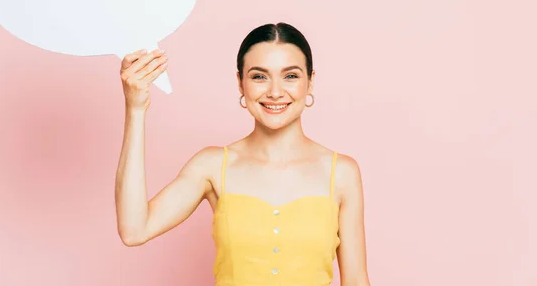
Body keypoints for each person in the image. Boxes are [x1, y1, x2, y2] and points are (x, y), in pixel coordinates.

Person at [115, 22, 371, 286]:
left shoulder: (341, 172)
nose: (274, 91)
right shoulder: (212, 166)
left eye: (290, 76)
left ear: (310, 82)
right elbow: (135, 230)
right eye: (259, 76)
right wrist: (135, 108)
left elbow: (355, 279)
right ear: (240, 83)